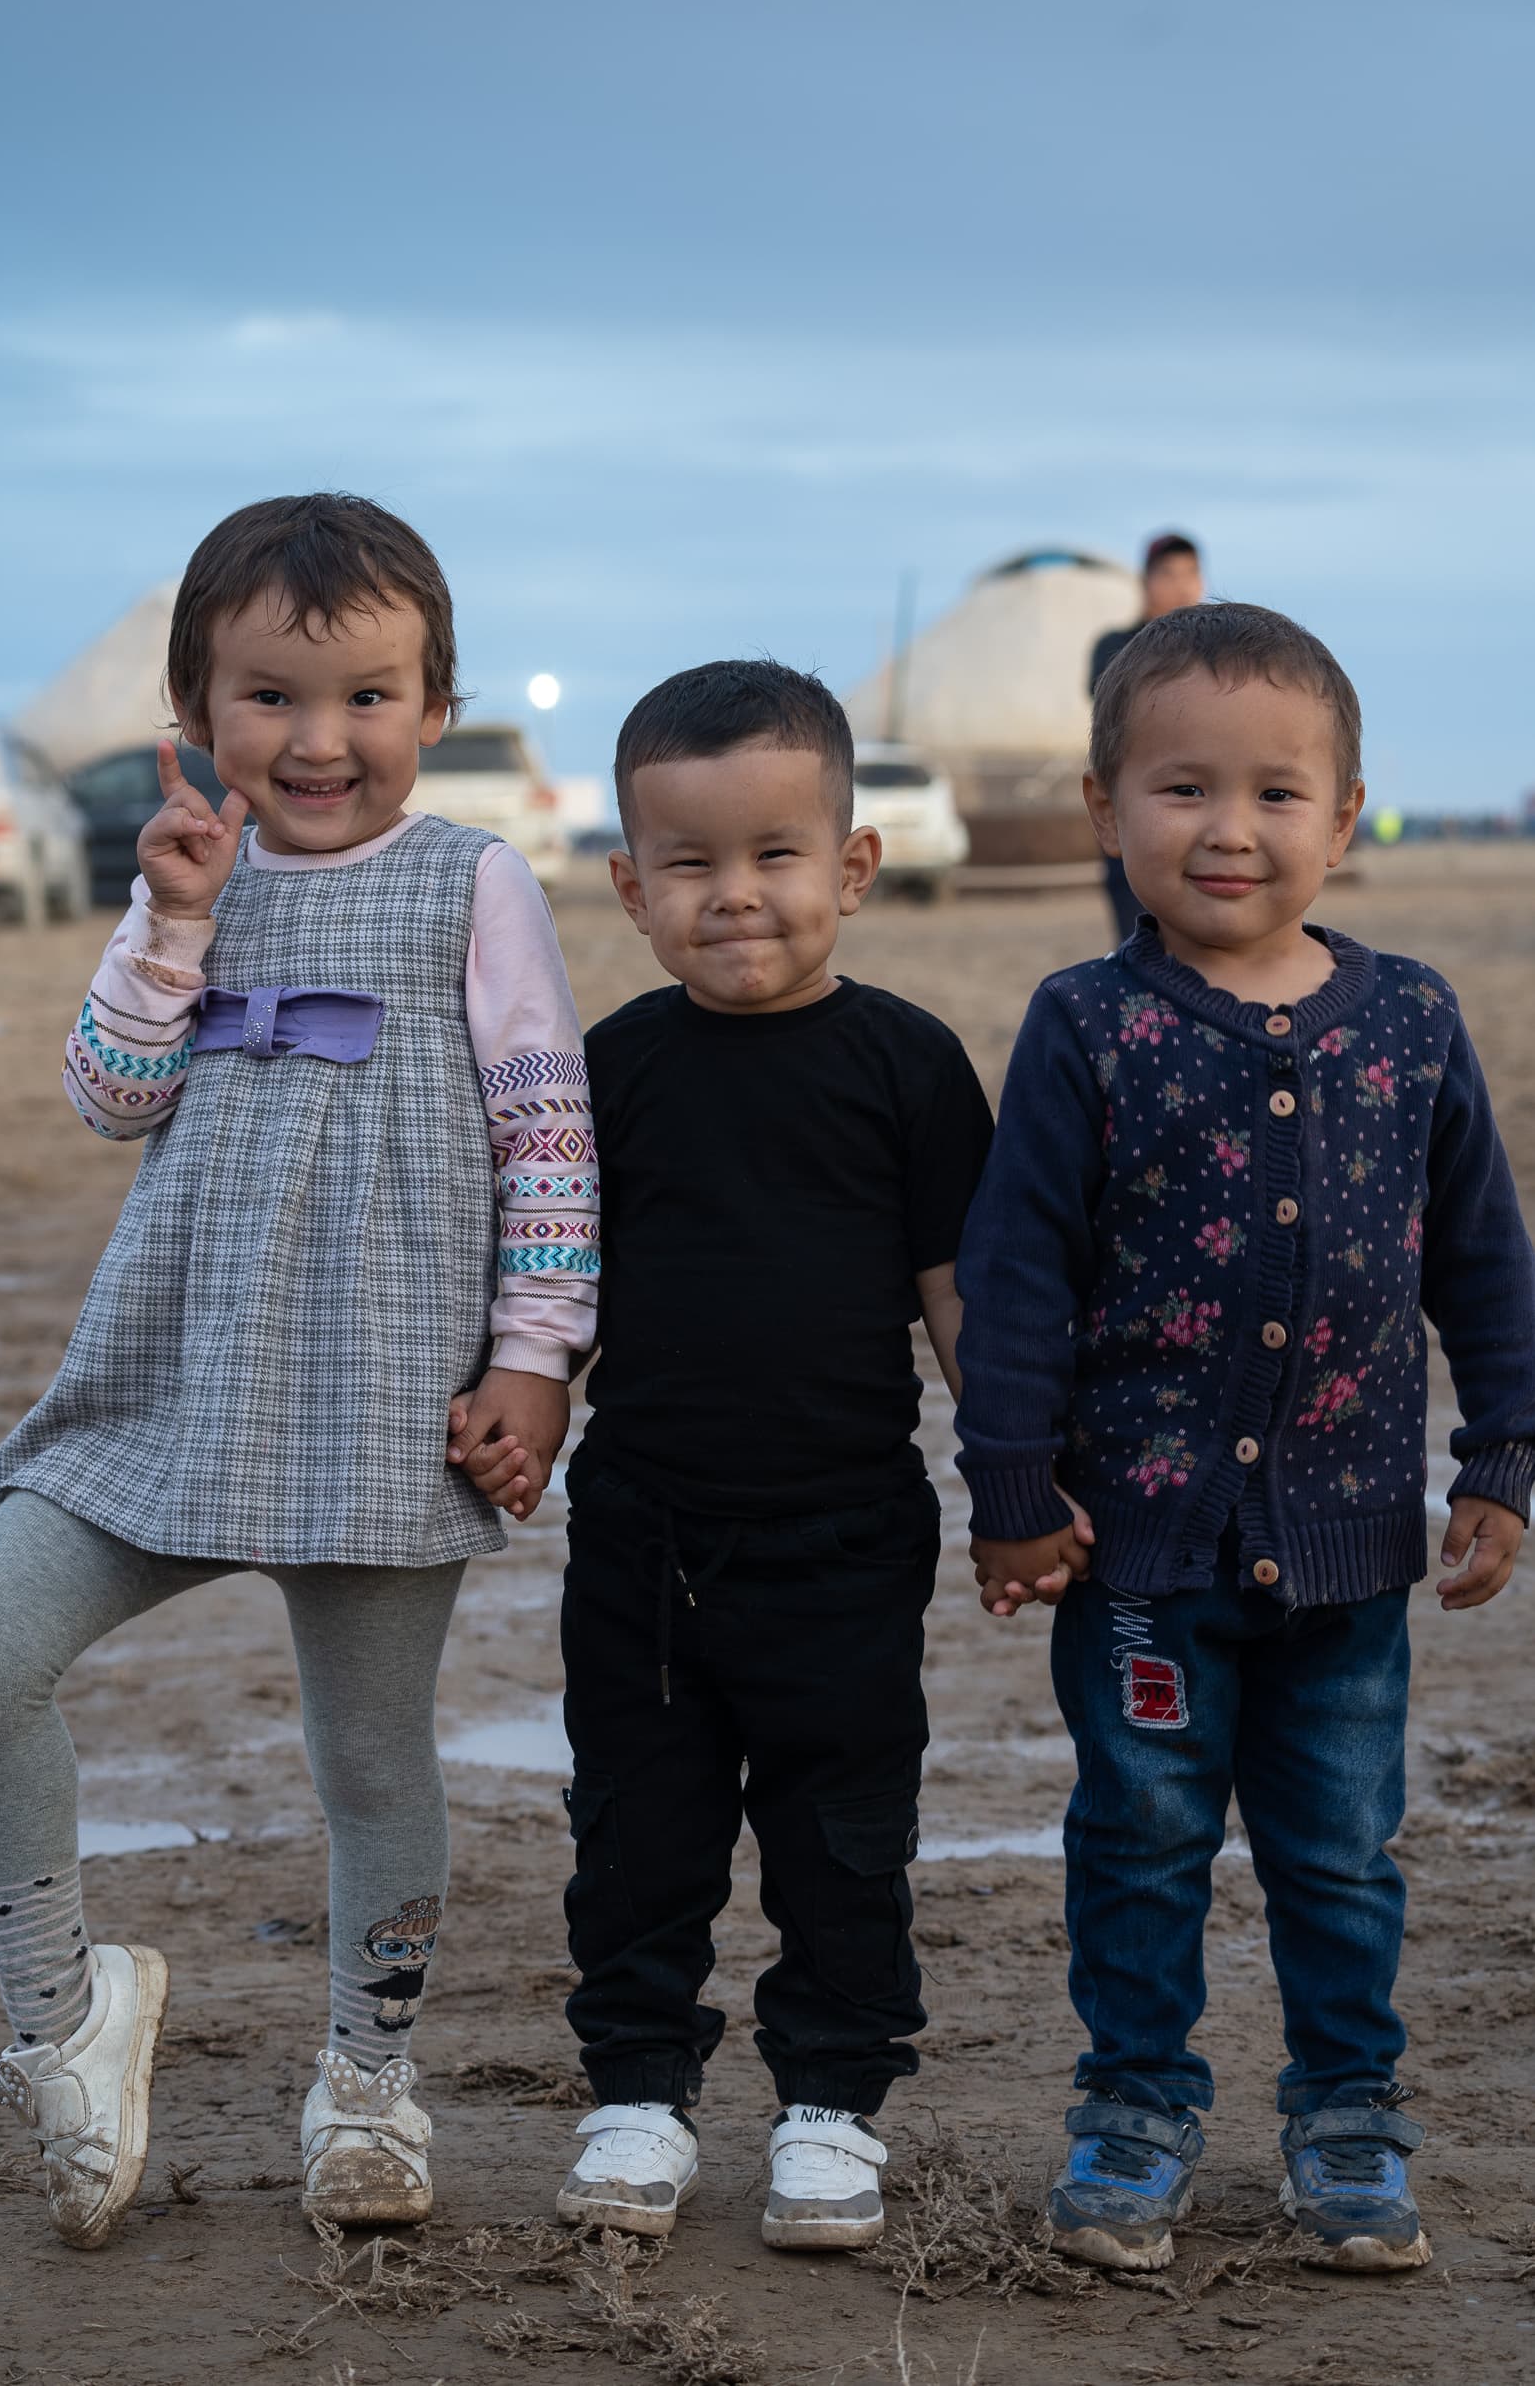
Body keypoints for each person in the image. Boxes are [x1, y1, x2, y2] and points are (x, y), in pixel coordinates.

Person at [0, 494, 598, 2250]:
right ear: (196, 713)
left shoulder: (472, 883)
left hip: (388, 1391)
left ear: (433, 707)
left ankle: (368, 2081)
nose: (318, 740)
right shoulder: (178, 886)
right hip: (174, 1374)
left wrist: (536, 1360)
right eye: (272, 698)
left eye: (366, 697)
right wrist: (173, 933)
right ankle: (69, 2023)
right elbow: (109, 1100)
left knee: (370, 1762)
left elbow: (546, 1138)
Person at [954, 601, 1535, 2277]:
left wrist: (1497, 1458)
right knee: (1138, 1837)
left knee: (1340, 1853)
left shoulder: (1410, 1021)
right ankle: (1133, 2108)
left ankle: (1347, 2116)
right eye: (1181, 790)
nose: (1227, 829)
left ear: (1343, 819)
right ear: (1102, 809)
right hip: (1133, 1550)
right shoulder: (1085, 1024)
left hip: (1351, 1551)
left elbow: (1482, 1261)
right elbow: (1014, 1280)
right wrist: (1009, 1491)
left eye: (1276, 794)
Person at [454, 660, 993, 2252]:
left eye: (772, 858)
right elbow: (549, 1263)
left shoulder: (904, 1064)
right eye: (688, 866)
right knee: (636, 1828)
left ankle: (828, 2108)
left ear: (850, 866)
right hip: (644, 1534)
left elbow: (956, 1295)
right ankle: (634, 2094)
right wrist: (522, 1389)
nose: (733, 898)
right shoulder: (609, 1069)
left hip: (845, 1532)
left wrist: (1020, 1480)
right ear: (628, 887)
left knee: (844, 1834)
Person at [1088, 533, 1205, 939]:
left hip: (1204, 806)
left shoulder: (1218, 654)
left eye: (1191, 573)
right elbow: (1114, 705)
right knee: (1137, 936)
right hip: (1138, 806)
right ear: (1146, 582)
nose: (1182, 585)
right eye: (1169, 574)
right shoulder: (1114, 647)